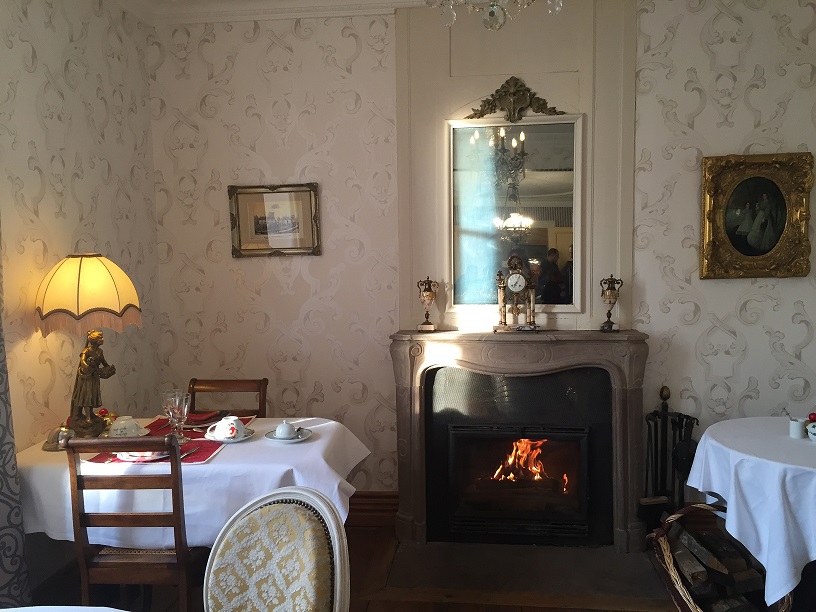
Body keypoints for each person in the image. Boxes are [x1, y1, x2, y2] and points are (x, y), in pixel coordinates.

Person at [70, 330, 116, 434]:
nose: (102, 339)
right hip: (87, 379)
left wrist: (109, 369)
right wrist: (89, 366)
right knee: (87, 396)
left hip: (95, 378)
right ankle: (87, 417)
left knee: (93, 396)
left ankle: (90, 413)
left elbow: (104, 363)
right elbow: (83, 362)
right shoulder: (87, 351)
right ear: (94, 340)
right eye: (100, 338)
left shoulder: (100, 352)